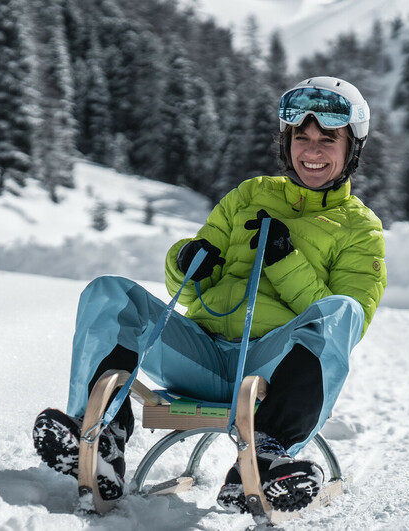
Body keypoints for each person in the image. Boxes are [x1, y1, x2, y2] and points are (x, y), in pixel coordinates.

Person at [31, 76, 387, 513]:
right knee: (109, 293)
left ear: (352, 148)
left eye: (327, 139)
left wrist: (285, 260)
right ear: (286, 141)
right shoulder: (249, 196)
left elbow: (347, 325)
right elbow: (182, 284)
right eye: (302, 137)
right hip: (199, 357)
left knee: (343, 310)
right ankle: (100, 439)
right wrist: (185, 260)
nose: (311, 151)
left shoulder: (360, 229)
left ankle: (266, 457)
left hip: (270, 371)